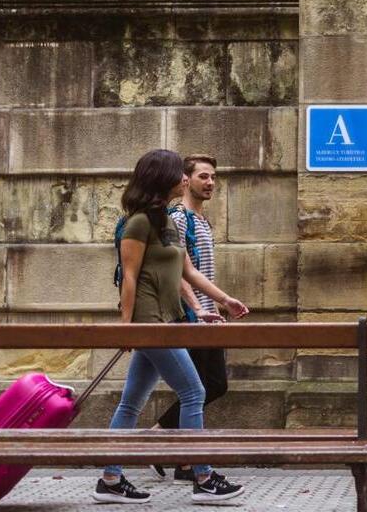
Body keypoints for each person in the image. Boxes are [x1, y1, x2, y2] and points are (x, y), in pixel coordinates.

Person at [92, 149, 249, 505]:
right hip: (149, 323)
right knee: (194, 392)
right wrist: (126, 328)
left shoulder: (167, 221)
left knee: (132, 403)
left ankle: (111, 479)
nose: (184, 178)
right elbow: (128, 278)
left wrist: (222, 302)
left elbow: (187, 272)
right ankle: (203, 476)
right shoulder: (138, 223)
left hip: (168, 320)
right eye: (179, 173)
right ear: (161, 177)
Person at [150, 154, 235, 485]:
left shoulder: (202, 220)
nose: (210, 182)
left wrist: (220, 300)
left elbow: (198, 270)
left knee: (204, 386)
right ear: (186, 180)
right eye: (203, 176)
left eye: (213, 177)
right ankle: (167, 446)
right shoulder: (179, 217)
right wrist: (197, 307)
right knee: (206, 386)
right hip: (191, 316)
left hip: (206, 315)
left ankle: (178, 455)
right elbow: (178, 272)